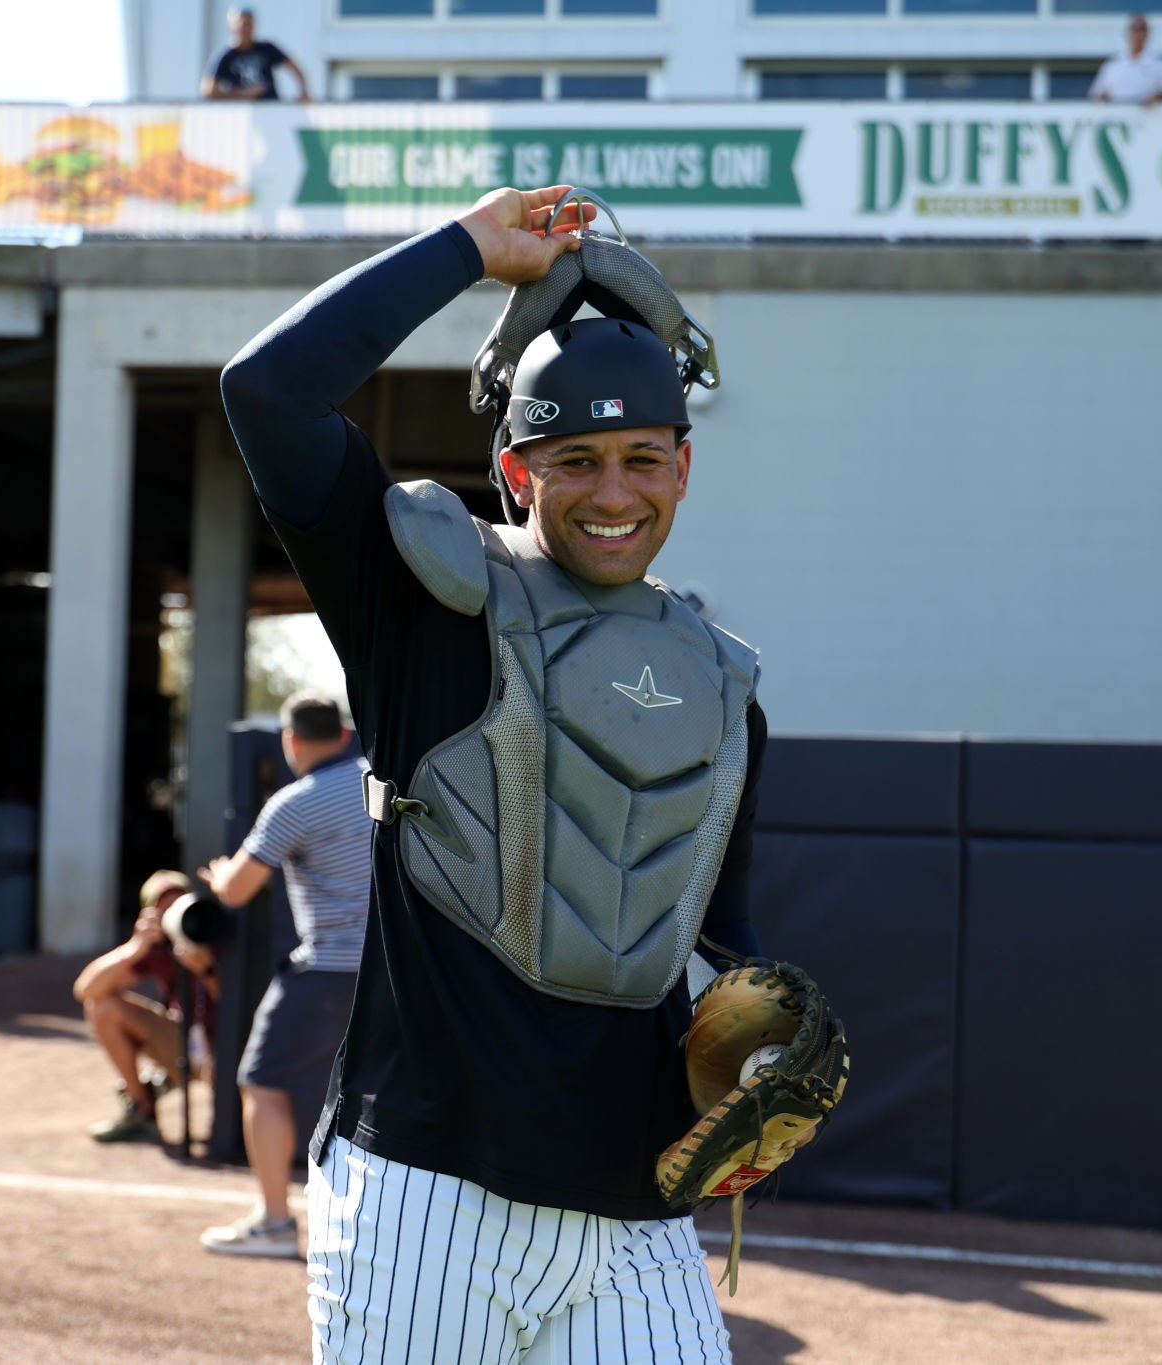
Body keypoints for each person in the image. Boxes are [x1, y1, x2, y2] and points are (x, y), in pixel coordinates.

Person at [218, 185, 769, 1360]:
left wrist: (758, 1055)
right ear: (516, 471)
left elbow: (722, 937)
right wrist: (470, 247)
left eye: (639, 458)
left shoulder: (719, 683)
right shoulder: (420, 604)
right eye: (574, 460)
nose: (612, 492)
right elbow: (266, 389)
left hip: (632, 1209)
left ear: (682, 467)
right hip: (426, 1192)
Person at [194, 693, 373, 1259]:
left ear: (291, 741)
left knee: (261, 1083)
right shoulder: (380, 780)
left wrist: (221, 877)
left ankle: (274, 1223)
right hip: (394, 975)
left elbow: (237, 890)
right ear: (342, 734)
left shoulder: (296, 801)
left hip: (328, 969)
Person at [72, 870, 218, 1143]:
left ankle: (232, 1132)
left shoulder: (213, 932)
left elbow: (237, 1003)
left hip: (227, 1046)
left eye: (180, 905)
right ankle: (141, 1111)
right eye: (164, 911)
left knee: (222, 1078)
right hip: (183, 1039)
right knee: (102, 1006)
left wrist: (207, 970)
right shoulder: (156, 947)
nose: (175, 917)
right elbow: (86, 990)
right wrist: (135, 946)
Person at [200, 8, 310, 103]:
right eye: (243, 24)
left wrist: (303, 91)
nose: (247, 28)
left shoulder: (266, 49)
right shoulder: (226, 56)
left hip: (271, 109)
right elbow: (207, 90)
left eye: (250, 24)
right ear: (231, 26)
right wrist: (242, 94)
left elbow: (295, 68)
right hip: (241, 113)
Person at [1090, 12, 1162, 109]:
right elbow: (1095, 95)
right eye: (1134, 29)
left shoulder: (1160, 64)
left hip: (1150, 117)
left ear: (1147, 34)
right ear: (1127, 33)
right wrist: (1102, 97)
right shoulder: (1112, 65)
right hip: (1117, 117)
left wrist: (1158, 97)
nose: (1137, 34)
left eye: (1141, 29)